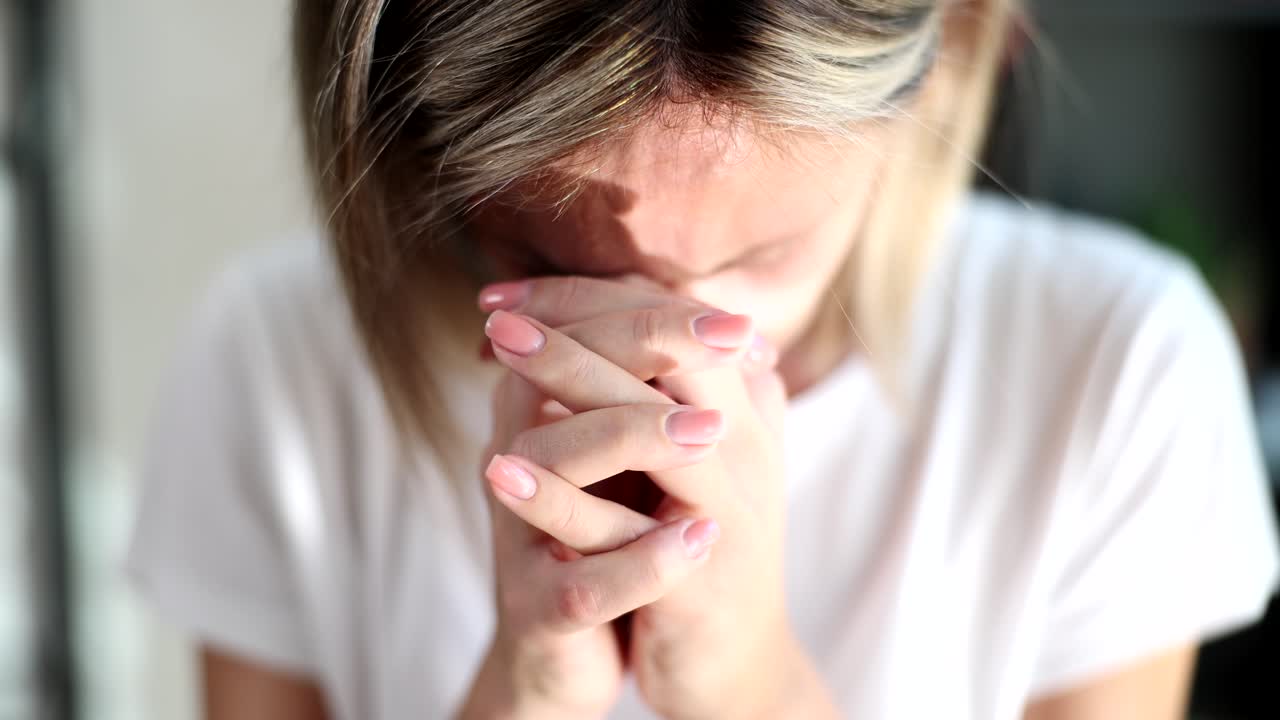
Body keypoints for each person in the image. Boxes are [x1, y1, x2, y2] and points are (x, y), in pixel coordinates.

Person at [126, 0, 1280, 718]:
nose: (660, 356)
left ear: (962, 41)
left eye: (766, 254)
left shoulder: (1113, 369)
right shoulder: (273, 367)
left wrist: (750, 690)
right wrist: (529, 691)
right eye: (539, 253)